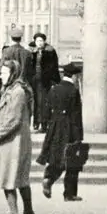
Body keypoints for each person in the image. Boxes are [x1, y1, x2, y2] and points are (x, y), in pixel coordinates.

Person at [0, 58, 36, 214]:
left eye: (4, 73)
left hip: (13, 141)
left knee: (9, 177)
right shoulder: (12, 89)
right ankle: (28, 212)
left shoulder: (17, 92)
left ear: (13, 74)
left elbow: (14, 119)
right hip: (14, 140)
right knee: (18, 178)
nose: (1, 76)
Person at [37, 62, 84, 202]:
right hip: (69, 127)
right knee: (72, 160)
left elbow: (46, 109)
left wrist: (48, 124)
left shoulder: (54, 89)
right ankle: (69, 193)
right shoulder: (73, 90)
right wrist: (79, 135)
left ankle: (48, 178)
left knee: (56, 155)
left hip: (55, 126)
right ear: (74, 76)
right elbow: (76, 114)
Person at [31, 32, 61, 132]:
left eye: (41, 41)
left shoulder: (50, 52)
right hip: (35, 81)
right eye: (37, 41)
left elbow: (54, 67)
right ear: (35, 42)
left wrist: (54, 81)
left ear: (44, 41)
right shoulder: (32, 52)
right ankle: (36, 122)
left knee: (45, 102)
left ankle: (44, 123)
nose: (39, 43)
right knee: (36, 102)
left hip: (46, 82)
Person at [0, 26, 34, 95]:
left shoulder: (6, 51)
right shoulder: (27, 53)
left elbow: (0, 68)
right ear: (20, 39)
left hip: (9, 84)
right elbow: (30, 71)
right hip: (23, 84)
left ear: (11, 38)